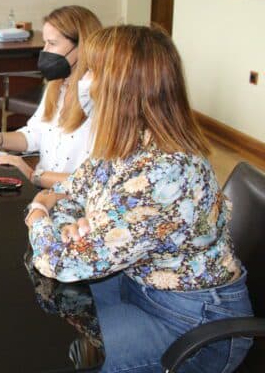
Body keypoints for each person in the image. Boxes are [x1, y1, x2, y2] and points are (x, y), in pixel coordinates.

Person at [25, 25, 253, 372]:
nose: (85, 81)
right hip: (138, 285)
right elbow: (75, 191)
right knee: (41, 318)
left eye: (93, 72)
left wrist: (40, 214)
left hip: (193, 323)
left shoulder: (164, 173)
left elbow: (62, 261)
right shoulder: (127, 142)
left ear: (121, 89)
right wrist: (69, 219)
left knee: (62, 352)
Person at [0, 5, 102, 188]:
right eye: (45, 42)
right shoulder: (57, 85)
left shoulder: (97, 99)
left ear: (82, 46)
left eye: (52, 43)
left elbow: (91, 181)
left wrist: (29, 172)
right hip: (43, 190)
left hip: (72, 200)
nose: (45, 50)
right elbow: (35, 134)